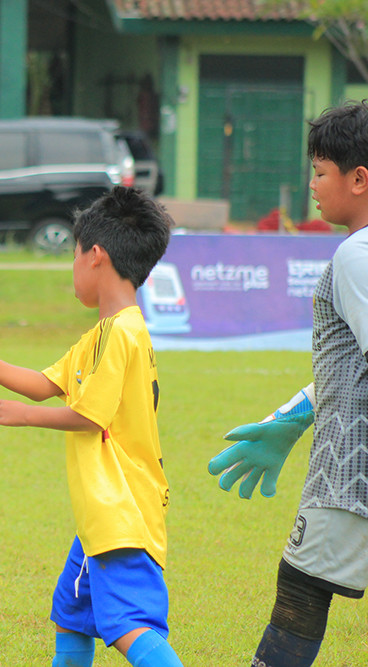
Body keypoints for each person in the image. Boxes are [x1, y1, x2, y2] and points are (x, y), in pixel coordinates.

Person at [0, 186, 183, 667]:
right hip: (102, 512)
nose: (71, 269)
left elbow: (90, 416)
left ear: (95, 256)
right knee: (72, 613)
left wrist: (22, 417)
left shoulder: (123, 334)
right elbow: (43, 383)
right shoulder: (101, 334)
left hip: (123, 511)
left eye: (72, 256)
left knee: (127, 629)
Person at [207, 101, 368, 667]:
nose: (312, 184)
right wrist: (293, 418)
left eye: (321, 171)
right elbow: (352, 368)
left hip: (351, 475)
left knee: (301, 587)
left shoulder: (357, 254)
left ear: (358, 178)